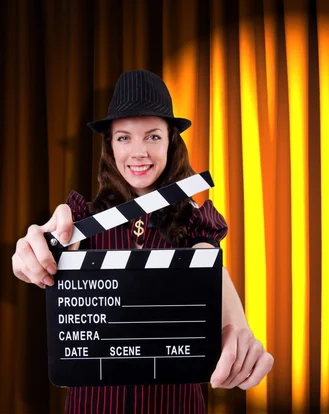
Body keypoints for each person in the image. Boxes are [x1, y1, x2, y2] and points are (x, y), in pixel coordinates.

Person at [11, 69, 273, 413]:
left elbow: (210, 269)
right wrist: (32, 253)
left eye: (152, 137)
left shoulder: (195, 220)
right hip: (95, 405)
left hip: (174, 404)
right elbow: (46, 250)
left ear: (170, 142)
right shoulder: (79, 218)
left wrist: (239, 331)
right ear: (110, 145)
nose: (138, 152)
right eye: (124, 138)